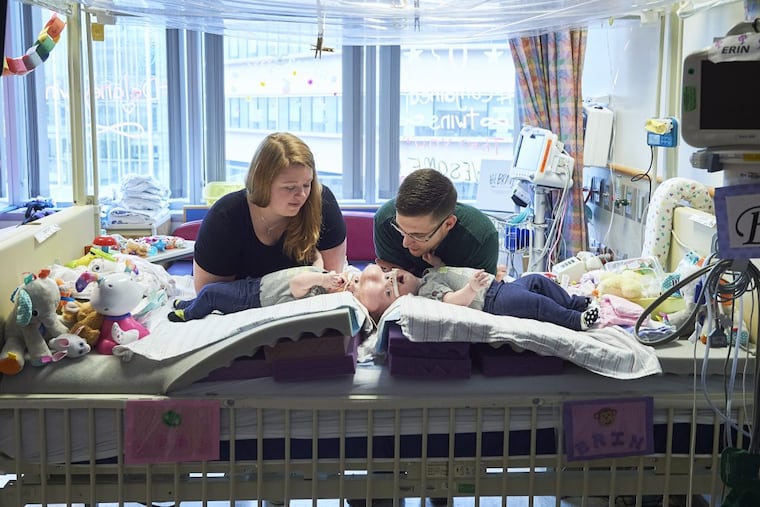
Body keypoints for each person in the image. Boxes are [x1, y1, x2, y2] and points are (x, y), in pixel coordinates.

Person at [191, 132, 347, 294]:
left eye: (307, 184)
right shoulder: (225, 218)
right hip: (240, 311)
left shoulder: (322, 203)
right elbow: (207, 296)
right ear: (262, 183)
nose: (301, 195)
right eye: (289, 187)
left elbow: (332, 285)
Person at [360, 263, 600, 332]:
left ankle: (575, 302)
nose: (391, 278)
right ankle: (574, 320)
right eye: (388, 291)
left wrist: (437, 264)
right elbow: (452, 302)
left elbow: (450, 274)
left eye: (385, 274)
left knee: (537, 281)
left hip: (498, 288)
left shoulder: (426, 277)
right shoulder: (425, 294)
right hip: (493, 302)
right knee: (536, 303)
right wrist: (472, 288)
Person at [373, 168, 500, 278]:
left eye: (418, 235)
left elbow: (481, 299)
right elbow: (391, 288)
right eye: (400, 230)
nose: (405, 243)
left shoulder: (481, 237)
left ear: (448, 224)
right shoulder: (385, 221)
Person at [167, 266, 348, 322]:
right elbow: (314, 264)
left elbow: (297, 281)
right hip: (256, 284)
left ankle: (188, 314)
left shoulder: (315, 292)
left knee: (210, 293)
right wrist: (325, 274)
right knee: (217, 290)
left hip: (253, 299)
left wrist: (324, 281)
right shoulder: (321, 276)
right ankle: (188, 304)